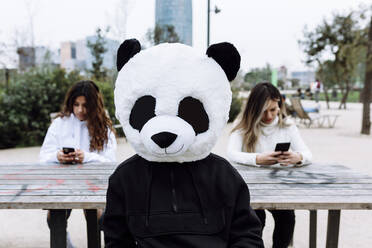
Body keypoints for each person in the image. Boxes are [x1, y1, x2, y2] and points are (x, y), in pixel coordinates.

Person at [227, 82, 312, 248]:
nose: (268, 116)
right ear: (254, 109)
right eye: (263, 111)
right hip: (250, 188)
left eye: (273, 109)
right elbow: (231, 153)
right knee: (256, 221)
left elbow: (308, 154)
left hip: (279, 188)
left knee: (287, 219)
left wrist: (298, 157)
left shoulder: (288, 125)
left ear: (279, 106)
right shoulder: (243, 124)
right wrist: (257, 159)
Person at [39, 80, 117, 248]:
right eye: (76, 104)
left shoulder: (104, 127)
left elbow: (111, 162)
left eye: (85, 105)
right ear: (71, 103)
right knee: (54, 218)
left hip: (93, 185)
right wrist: (58, 156)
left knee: (99, 217)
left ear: (94, 105)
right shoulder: (60, 123)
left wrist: (86, 157)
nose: (80, 110)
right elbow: (43, 156)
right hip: (64, 185)